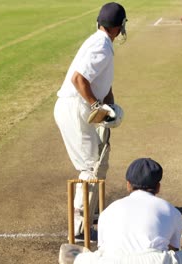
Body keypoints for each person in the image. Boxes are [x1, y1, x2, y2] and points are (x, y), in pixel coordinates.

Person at [54, 2, 127, 239]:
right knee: (90, 168)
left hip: (78, 108)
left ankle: (91, 211)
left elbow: (102, 81)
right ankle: (79, 229)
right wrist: (98, 107)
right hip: (75, 108)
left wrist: (110, 106)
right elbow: (79, 79)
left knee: (97, 162)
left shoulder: (100, 41)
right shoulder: (102, 46)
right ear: (119, 27)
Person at [67, 158, 182, 264]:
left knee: (70, 254)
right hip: (154, 261)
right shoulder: (172, 211)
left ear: (128, 185)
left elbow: (103, 248)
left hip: (112, 261)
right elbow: (173, 250)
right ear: (158, 187)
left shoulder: (108, 211)